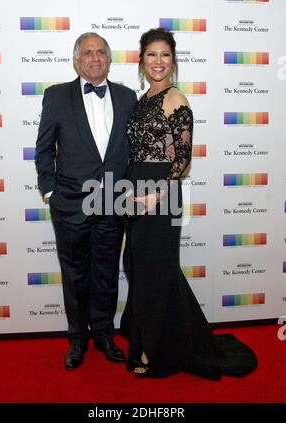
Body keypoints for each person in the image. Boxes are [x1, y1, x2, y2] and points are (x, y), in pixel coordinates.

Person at [120, 28, 258, 380]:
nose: (158, 61)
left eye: (165, 55)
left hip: (161, 193)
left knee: (154, 272)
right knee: (141, 267)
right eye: (151, 54)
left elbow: (182, 158)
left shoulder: (176, 99)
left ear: (174, 60)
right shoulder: (144, 97)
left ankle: (154, 352)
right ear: (141, 59)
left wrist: (157, 194)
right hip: (136, 191)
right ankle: (159, 339)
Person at [35, 32, 137, 370]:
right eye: (88, 53)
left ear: (109, 59)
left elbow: (132, 152)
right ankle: (77, 340)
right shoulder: (57, 96)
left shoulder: (126, 97)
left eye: (101, 53)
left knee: (106, 273)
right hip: (70, 205)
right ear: (77, 61)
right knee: (75, 274)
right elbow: (44, 149)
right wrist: (50, 192)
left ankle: (104, 335)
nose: (95, 58)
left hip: (112, 203)